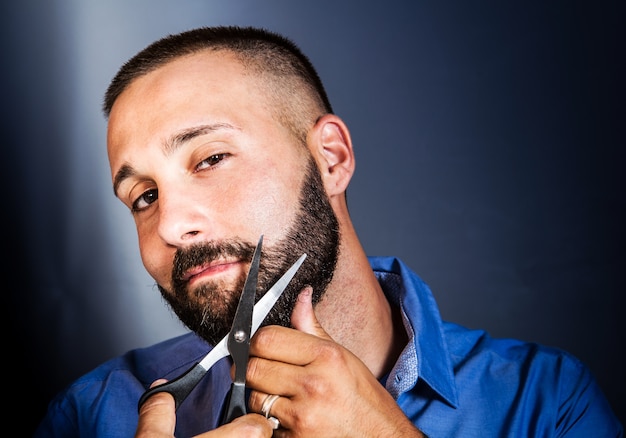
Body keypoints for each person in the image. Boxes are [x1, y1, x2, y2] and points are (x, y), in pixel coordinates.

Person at [35, 25, 622, 437]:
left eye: (211, 159)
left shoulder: (547, 403)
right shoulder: (92, 416)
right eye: (143, 197)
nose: (172, 225)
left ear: (331, 159)